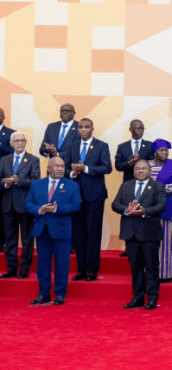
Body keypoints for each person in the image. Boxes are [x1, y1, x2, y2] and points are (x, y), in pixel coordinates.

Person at [111, 160, 166, 310]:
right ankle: (138, 297)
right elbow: (115, 204)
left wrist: (144, 211)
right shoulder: (126, 185)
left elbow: (161, 206)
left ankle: (152, 297)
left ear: (149, 171)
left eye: (143, 168)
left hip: (150, 234)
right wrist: (127, 210)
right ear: (134, 171)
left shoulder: (157, 186)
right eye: (137, 169)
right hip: (131, 233)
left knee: (151, 267)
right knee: (135, 267)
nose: (140, 171)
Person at [62, 118, 111, 282]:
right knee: (79, 234)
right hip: (75, 196)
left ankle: (92, 270)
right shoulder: (72, 146)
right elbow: (65, 168)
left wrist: (86, 168)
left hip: (95, 196)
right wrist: (72, 173)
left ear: (92, 129)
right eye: (80, 127)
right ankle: (81, 270)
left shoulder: (101, 146)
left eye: (86, 127)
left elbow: (107, 168)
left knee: (93, 233)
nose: (83, 130)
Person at [27, 157, 80, 305]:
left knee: (62, 263)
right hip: (42, 229)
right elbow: (28, 203)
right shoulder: (37, 185)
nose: (60, 169)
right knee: (43, 263)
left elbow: (76, 205)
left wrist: (57, 209)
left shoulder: (72, 185)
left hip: (61, 230)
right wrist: (39, 209)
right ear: (49, 168)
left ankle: (60, 293)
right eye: (56, 166)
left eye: (62, 166)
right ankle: (43, 293)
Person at [148, 139, 172, 282]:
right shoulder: (147, 165)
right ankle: (154, 272)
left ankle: (169, 272)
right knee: (152, 239)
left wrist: (164, 189)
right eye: (161, 150)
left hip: (170, 206)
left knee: (169, 238)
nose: (164, 153)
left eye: (166, 150)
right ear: (155, 152)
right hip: (151, 207)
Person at [1, 132, 38, 278]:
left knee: (27, 238)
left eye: (23, 140)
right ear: (11, 143)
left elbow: (35, 181)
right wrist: (6, 183)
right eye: (17, 141)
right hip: (7, 204)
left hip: (26, 205)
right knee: (10, 238)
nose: (20, 143)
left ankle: (24, 268)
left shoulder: (33, 160)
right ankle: (11, 267)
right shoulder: (4, 160)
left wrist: (18, 181)